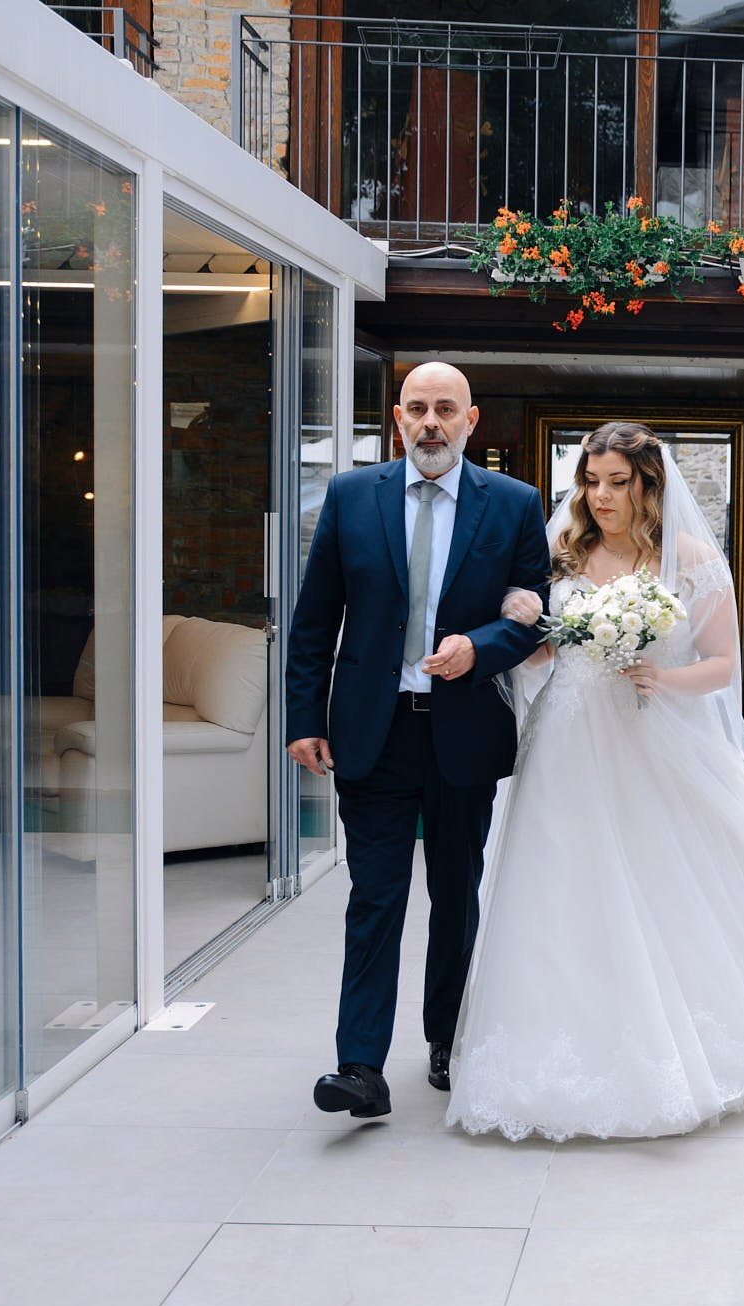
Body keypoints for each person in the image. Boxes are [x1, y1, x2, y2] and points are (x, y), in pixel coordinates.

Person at [447, 421, 744, 1141]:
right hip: (565, 740)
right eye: (591, 480)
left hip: (649, 734)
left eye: (618, 481)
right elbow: (533, 662)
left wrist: (661, 675)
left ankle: (682, 1025)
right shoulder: (564, 553)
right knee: (558, 877)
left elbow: (722, 665)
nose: (601, 494)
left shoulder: (688, 558)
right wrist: (529, 627)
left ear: (650, 484)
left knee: (661, 877)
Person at [285, 361, 551, 1119]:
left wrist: (482, 647)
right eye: (417, 409)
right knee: (375, 896)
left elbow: (533, 613)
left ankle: (447, 1039)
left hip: (464, 729)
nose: (431, 422)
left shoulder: (514, 504)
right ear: (398, 419)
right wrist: (304, 716)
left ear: (473, 421)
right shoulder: (349, 497)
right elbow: (314, 620)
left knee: (454, 896)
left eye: (446, 409)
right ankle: (360, 1064)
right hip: (373, 731)